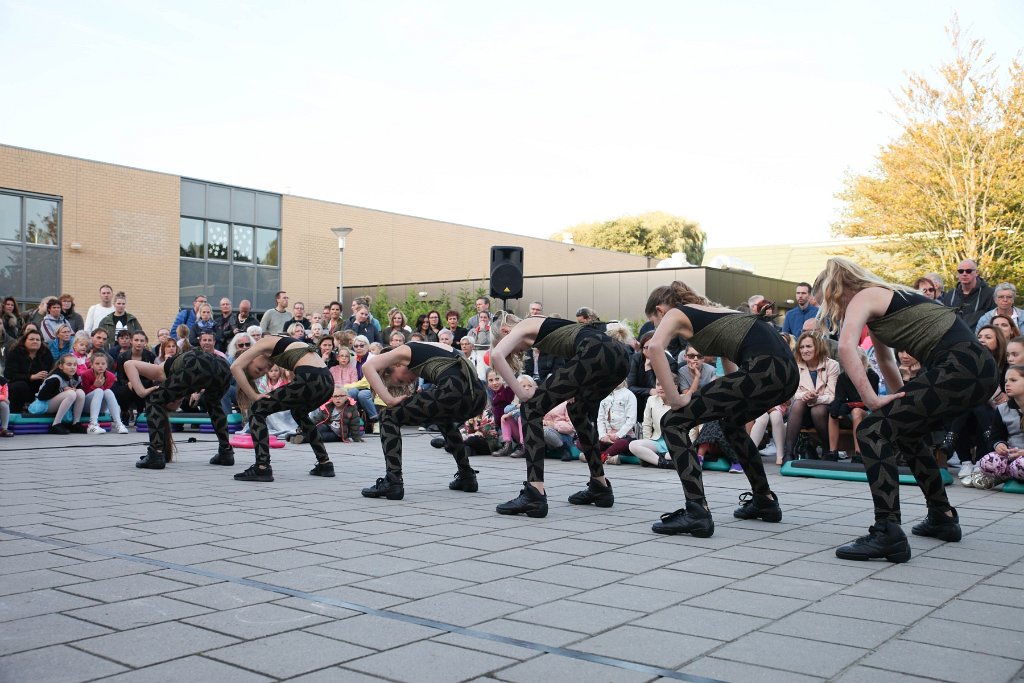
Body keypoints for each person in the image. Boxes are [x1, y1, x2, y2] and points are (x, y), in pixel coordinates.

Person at [814, 257, 998, 562]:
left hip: (960, 365)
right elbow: (885, 361)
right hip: (975, 368)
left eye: (832, 303)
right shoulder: (884, 301)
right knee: (906, 431)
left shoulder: (864, 295)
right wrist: (899, 399)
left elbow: (847, 348)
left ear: (838, 289)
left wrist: (872, 401)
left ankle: (887, 532)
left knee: (872, 431)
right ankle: (942, 517)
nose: (836, 312)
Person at [643, 281, 798, 537]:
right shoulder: (713, 314)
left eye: (655, 323)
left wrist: (675, 399)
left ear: (660, 310)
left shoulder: (676, 312)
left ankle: (697, 512)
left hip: (763, 369)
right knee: (731, 422)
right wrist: (730, 398)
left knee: (673, 421)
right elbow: (730, 365)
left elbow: (655, 348)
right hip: (786, 374)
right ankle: (765, 500)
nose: (660, 329)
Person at [490, 311, 630, 518]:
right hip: (619, 356)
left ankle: (534, 494)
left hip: (594, 352)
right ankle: (600, 486)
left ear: (505, 331)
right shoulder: (546, 324)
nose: (517, 351)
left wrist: (521, 393)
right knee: (577, 411)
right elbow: (574, 348)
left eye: (510, 344)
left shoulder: (522, 327)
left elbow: (496, 355)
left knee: (530, 409)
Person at [360, 341, 487, 500]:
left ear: (396, 363)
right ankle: (467, 476)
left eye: (399, 381)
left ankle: (393, 481)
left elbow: (367, 367)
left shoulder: (405, 350)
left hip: (454, 390)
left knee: (388, 416)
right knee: (442, 417)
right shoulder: (428, 347)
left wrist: (389, 400)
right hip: (478, 396)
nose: (408, 383)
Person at [230, 333, 334, 481]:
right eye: (262, 373)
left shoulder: (263, 343)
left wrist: (253, 396)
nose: (265, 370)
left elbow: (235, 367)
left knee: (257, 409)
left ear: (250, 358)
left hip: (310, 378)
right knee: (299, 412)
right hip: (327, 382)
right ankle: (325, 463)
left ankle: (262, 467)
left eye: (259, 369)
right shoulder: (278, 343)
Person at [125, 349, 235, 470]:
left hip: (200, 361)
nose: (177, 402)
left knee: (153, 399)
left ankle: (155, 454)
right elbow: (204, 371)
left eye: (172, 405)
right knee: (214, 404)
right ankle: (226, 452)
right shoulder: (183, 380)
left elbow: (129, 364)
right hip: (223, 366)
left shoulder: (159, 372)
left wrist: (141, 392)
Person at [782, 332, 840, 462]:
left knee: (817, 410)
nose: (804, 350)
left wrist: (815, 399)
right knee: (798, 403)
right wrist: (805, 396)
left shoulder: (832, 365)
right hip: (800, 413)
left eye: (808, 346)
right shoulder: (795, 366)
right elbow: (793, 393)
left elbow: (832, 396)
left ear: (818, 347)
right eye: (801, 347)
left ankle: (827, 450)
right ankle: (788, 453)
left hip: (825, 412)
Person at [975, 365, 1024, 488]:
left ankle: (1007, 476)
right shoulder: (1003, 409)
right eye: (1006, 381)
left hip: (1022, 459)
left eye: (1013, 380)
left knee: (1021, 465)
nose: (1007, 384)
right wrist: (999, 445)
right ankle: (1009, 475)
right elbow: (994, 437)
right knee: (987, 462)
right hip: (1011, 456)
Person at [29, 354, 86, 434]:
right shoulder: (55, 378)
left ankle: (76, 423)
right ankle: (56, 424)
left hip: (57, 404)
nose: (73, 367)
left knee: (80, 392)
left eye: (75, 365)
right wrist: (62, 390)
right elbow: (42, 396)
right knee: (71, 393)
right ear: (61, 366)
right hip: (43, 405)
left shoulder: (76, 378)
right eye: (69, 364)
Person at [624, 379, 674, 468]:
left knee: (669, 455)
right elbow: (647, 424)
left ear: (675, 387)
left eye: (664, 384)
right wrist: (647, 443)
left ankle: (655, 459)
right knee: (633, 445)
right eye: (658, 385)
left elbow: (692, 429)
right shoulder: (651, 400)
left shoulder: (682, 401)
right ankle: (663, 463)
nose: (660, 388)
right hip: (658, 441)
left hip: (676, 443)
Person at [80, 352, 129, 434]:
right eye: (97, 363)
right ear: (91, 365)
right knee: (99, 390)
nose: (100, 366)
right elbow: (84, 393)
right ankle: (92, 425)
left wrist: (100, 386)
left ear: (107, 365)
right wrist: (95, 386)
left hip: (101, 407)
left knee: (108, 391)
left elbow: (105, 394)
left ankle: (119, 424)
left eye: (103, 363)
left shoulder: (111, 376)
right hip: (86, 405)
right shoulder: (86, 375)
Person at [5, 330, 54, 410]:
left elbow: (52, 371)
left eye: (38, 340)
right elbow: (9, 374)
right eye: (31, 339)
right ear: (24, 341)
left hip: (39, 386)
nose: (35, 341)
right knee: (20, 386)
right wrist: (31, 377)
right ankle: (15, 412)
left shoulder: (46, 353)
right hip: (19, 387)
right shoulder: (15, 353)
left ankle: (42, 410)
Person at [941, 258, 995, 329]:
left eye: (968, 271)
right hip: (954, 337)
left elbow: (994, 320)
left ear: (977, 273)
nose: (964, 274)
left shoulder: (989, 294)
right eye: (961, 271)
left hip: (978, 338)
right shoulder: (950, 296)